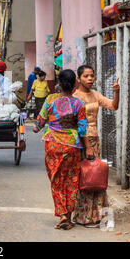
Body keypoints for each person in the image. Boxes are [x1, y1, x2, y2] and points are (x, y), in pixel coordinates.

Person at [33, 69, 88, 230]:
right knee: (71, 181)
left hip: (53, 144)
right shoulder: (79, 104)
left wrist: (36, 128)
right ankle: (68, 217)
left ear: (59, 83)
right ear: (75, 85)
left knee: (57, 181)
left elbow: (40, 121)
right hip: (72, 146)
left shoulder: (50, 100)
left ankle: (63, 214)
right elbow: (83, 129)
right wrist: (87, 148)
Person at [72, 65, 120, 228]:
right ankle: (83, 216)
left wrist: (116, 92)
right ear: (78, 79)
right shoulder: (75, 97)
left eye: (92, 76)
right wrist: (87, 146)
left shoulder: (94, 95)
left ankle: (98, 215)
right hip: (81, 141)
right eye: (86, 76)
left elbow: (114, 106)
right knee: (85, 177)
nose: (90, 79)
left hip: (95, 139)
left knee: (96, 176)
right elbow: (78, 124)